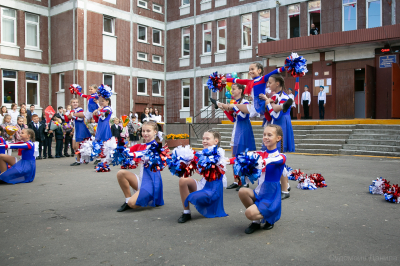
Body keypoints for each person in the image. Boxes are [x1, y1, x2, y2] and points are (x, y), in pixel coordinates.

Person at [235, 124, 286, 234]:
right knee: (242, 191)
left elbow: (276, 160)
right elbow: (242, 157)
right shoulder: (260, 154)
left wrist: (265, 161)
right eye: (264, 135)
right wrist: (225, 161)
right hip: (260, 192)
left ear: (278, 138)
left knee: (249, 213)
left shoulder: (281, 156)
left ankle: (270, 217)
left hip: (270, 196)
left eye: (269, 135)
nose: (266, 137)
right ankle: (256, 222)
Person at [177, 130, 228, 223]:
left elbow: (214, 165)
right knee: (183, 180)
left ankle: (201, 202)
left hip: (213, 190)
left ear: (216, 141)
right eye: (203, 138)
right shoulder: (202, 153)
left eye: (207, 139)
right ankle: (186, 212)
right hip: (202, 185)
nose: (204, 141)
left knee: (192, 197)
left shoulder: (219, 154)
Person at [211, 63, 292, 117]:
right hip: (253, 106)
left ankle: (283, 106)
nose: (250, 71)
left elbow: (273, 72)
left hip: (262, 104)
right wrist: (226, 80)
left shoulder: (262, 79)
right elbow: (237, 80)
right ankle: (218, 103)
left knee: (273, 106)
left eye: (252, 69)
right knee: (233, 106)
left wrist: (283, 68)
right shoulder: (249, 81)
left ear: (259, 71)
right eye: (249, 70)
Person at [116, 121, 164, 212]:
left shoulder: (157, 147)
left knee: (132, 204)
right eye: (143, 131)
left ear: (155, 132)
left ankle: (148, 197)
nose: (145, 133)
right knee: (121, 173)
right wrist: (120, 143)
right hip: (141, 180)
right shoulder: (140, 145)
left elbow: (144, 154)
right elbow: (126, 151)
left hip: (151, 183)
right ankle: (127, 200)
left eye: (148, 131)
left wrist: (132, 154)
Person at [261, 74, 295, 200]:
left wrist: (268, 103)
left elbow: (275, 115)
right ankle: (284, 184)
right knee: (275, 157)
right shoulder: (276, 96)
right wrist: (267, 101)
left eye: (270, 82)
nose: (268, 85)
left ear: (278, 84)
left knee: (278, 158)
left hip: (280, 127)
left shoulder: (284, 96)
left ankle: (285, 189)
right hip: (276, 126)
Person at [223, 83, 256, 191]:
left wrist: (234, 107)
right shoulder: (235, 102)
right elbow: (233, 119)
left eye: (234, 89)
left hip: (243, 130)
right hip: (236, 129)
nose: (231, 91)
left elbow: (242, 117)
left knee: (242, 156)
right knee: (234, 156)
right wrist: (224, 109)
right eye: (231, 89)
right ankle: (236, 181)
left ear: (241, 90)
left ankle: (244, 182)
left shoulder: (244, 102)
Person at [67, 98, 92, 166]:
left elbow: (81, 118)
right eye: (73, 102)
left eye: (76, 102)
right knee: (74, 146)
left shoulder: (79, 109)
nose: (75, 103)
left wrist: (73, 115)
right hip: (75, 129)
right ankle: (81, 159)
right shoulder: (72, 111)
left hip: (80, 128)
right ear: (71, 104)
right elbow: (68, 118)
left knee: (78, 146)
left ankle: (79, 160)